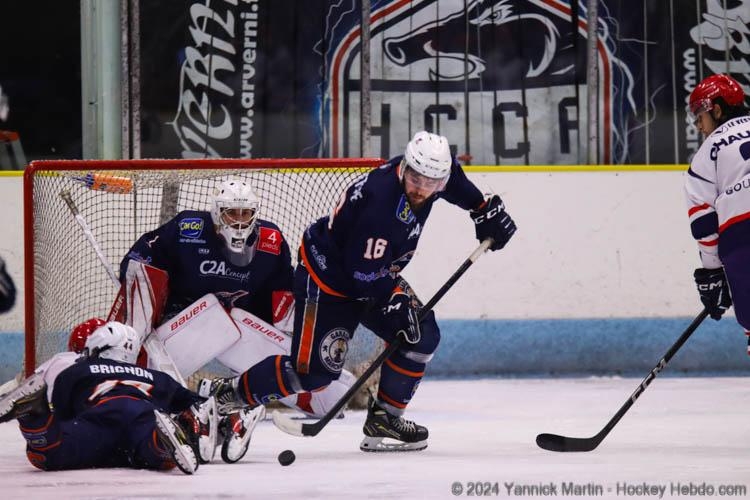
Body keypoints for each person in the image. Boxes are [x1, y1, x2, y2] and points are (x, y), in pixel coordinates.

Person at [201, 131, 517, 451]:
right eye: (417, 179)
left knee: (421, 334)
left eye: (431, 183)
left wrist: (481, 207)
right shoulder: (379, 204)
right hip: (328, 282)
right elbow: (362, 276)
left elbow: (453, 181)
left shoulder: (428, 175)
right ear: (405, 167)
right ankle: (229, 395)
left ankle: (385, 419)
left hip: (374, 273)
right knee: (312, 375)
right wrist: (394, 300)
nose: (422, 190)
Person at [118, 178, 355, 462]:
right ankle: (198, 407)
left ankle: (223, 402)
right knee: (193, 310)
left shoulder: (271, 241)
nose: (240, 221)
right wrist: (145, 309)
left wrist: (304, 351)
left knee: (333, 398)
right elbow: (140, 259)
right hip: (183, 324)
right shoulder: (188, 229)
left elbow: (282, 300)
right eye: (232, 212)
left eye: (246, 213)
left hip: (240, 325)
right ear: (218, 212)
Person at [0, 321, 206, 474]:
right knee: (155, 455)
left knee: (46, 454)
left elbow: (63, 414)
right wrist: (196, 415)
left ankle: (34, 415)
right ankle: (162, 440)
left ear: (98, 346)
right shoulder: (156, 376)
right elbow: (193, 401)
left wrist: (59, 426)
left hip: (99, 417)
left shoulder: (77, 370)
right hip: (143, 416)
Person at [685, 73, 750, 349]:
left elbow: (704, 223)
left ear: (718, 109)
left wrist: (712, 272)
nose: (699, 126)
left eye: (700, 117)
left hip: (742, 237)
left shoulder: (705, 155)